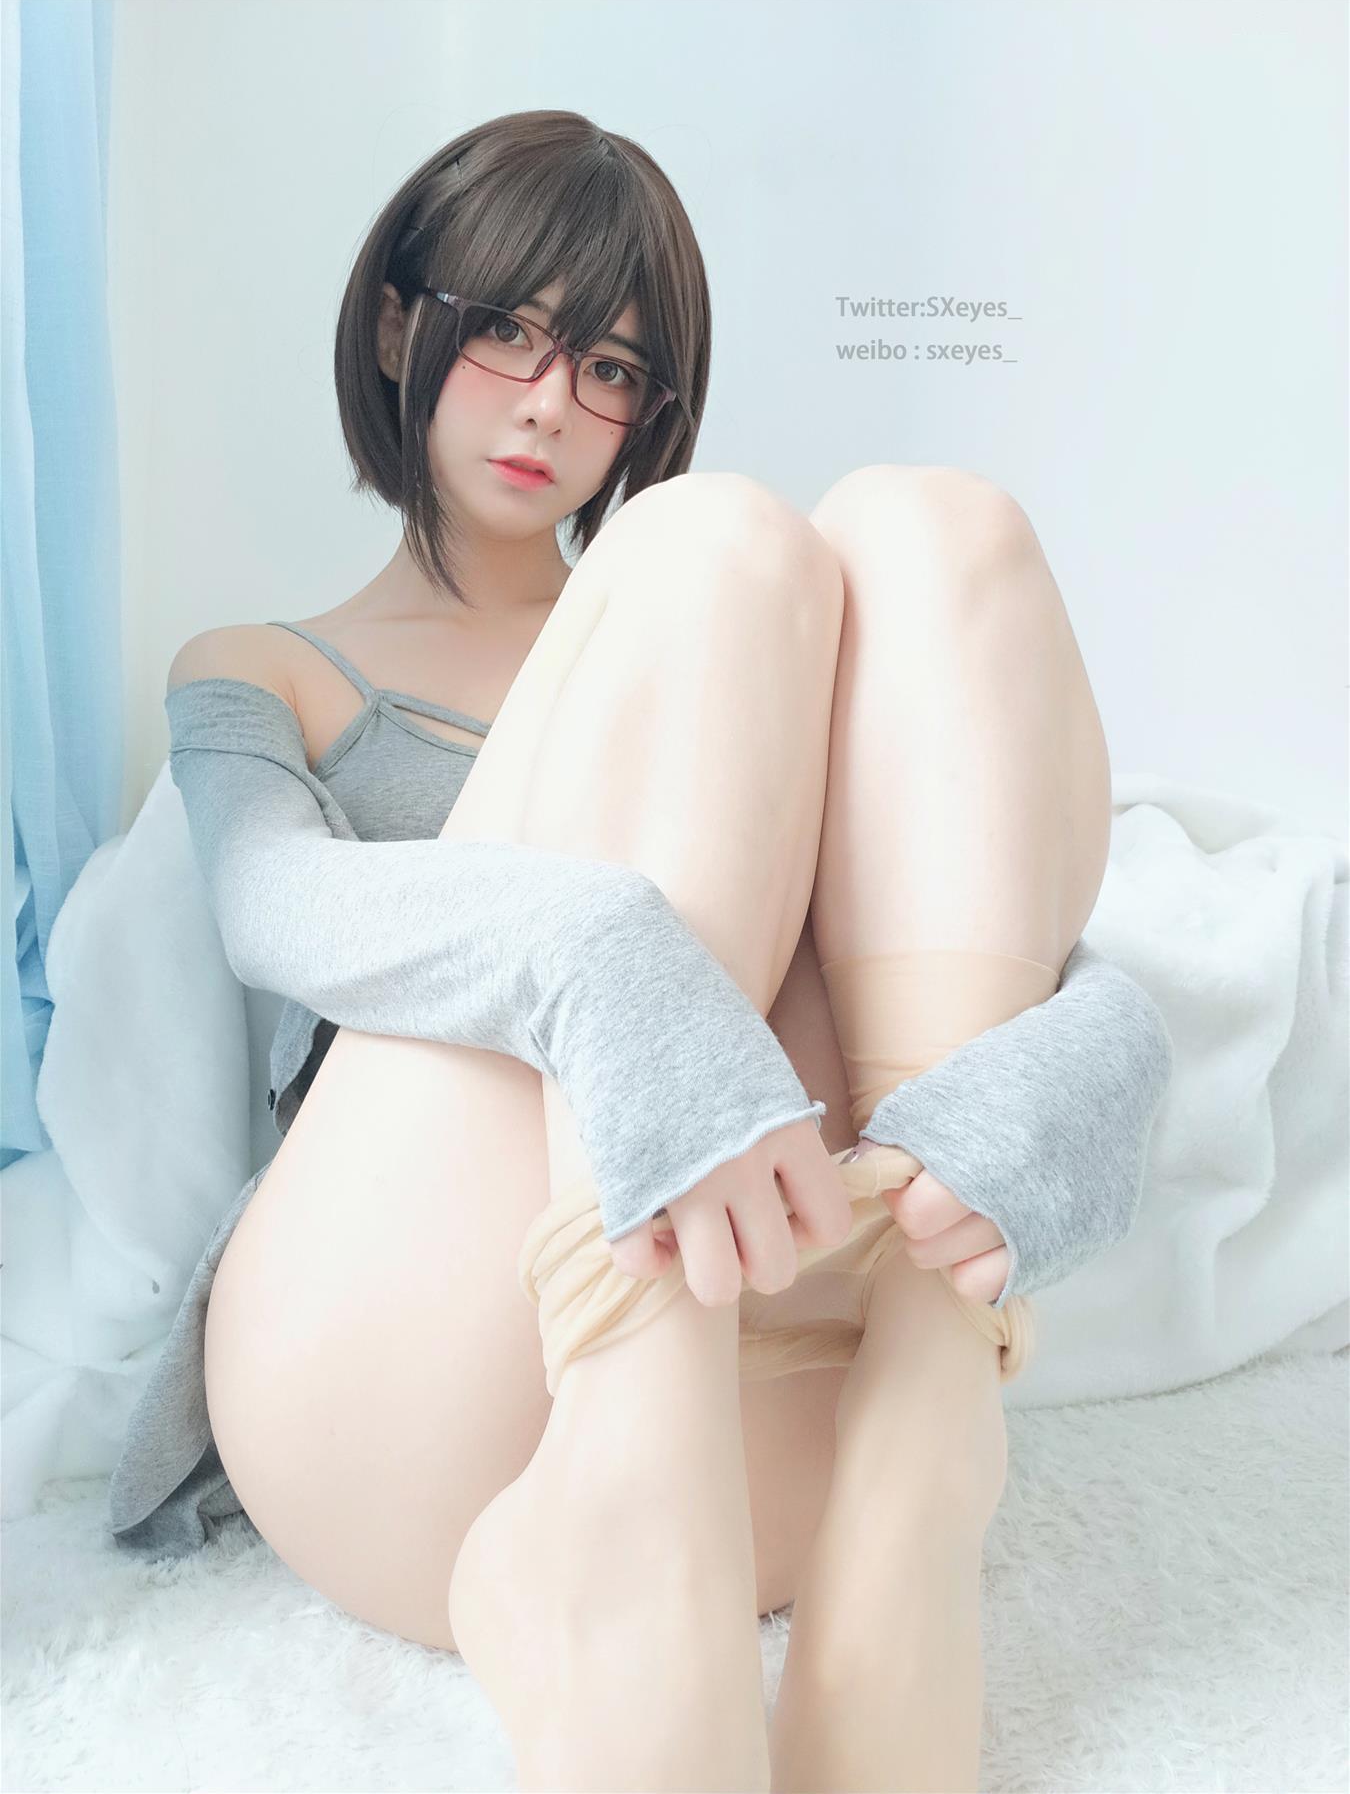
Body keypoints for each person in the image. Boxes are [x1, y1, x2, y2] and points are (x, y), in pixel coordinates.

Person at [109, 109, 1171, 1793]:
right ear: (395, 328)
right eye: (507, 332)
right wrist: (604, 956)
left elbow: (989, 903)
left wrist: (1104, 1044)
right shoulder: (271, 662)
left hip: (775, 1412)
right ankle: (611, 1485)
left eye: (608, 368)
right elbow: (274, 911)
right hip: (412, 1380)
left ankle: (919, 1454)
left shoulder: (792, 643)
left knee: (937, 526)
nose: (549, 403)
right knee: (712, 545)